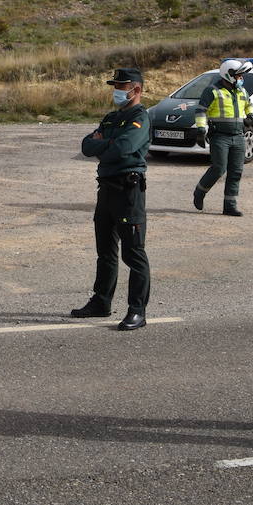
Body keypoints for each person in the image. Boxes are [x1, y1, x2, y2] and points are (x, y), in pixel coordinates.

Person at [71, 68, 151, 331]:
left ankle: (137, 311)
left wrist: (104, 144)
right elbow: (85, 146)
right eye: (115, 85)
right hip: (105, 189)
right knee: (105, 251)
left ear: (136, 90)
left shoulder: (140, 117)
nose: (117, 90)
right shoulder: (111, 118)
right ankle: (101, 302)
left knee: (133, 253)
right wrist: (107, 144)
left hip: (128, 191)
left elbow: (124, 148)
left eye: (122, 86)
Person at [193, 58, 253, 216]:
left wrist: (251, 115)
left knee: (236, 171)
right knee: (219, 168)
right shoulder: (212, 90)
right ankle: (200, 192)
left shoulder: (242, 91)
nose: (241, 79)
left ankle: (230, 206)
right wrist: (201, 129)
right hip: (219, 136)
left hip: (238, 136)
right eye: (239, 76)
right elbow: (201, 110)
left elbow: (249, 104)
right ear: (229, 75)